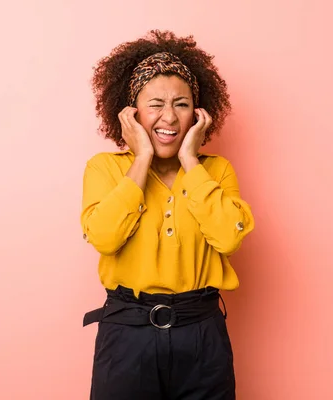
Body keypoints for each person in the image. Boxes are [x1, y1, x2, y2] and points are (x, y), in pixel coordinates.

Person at [81, 30, 255, 400]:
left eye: (181, 104)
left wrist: (191, 160)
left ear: (198, 112)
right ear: (131, 113)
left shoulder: (215, 170)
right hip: (127, 333)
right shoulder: (104, 169)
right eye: (155, 104)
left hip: (202, 333)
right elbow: (105, 238)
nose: (169, 117)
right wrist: (141, 158)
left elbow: (228, 238)